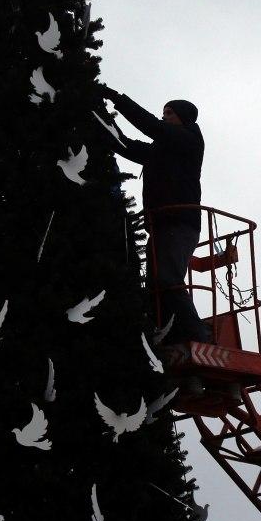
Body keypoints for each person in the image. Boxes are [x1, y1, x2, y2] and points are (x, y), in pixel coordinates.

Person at [98, 85, 212, 344]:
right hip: (160, 224)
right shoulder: (162, 150)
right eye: (163, 113)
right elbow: (126, 145)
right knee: (155, 287)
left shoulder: (189, 140)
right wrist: (100, 119)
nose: (164, 117)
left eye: (169, 113)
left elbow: (151, 127)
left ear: (183, 117)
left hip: (180, 222)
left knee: (168, 279)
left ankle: (199, 336)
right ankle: (170, 334)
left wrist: (117, 99)